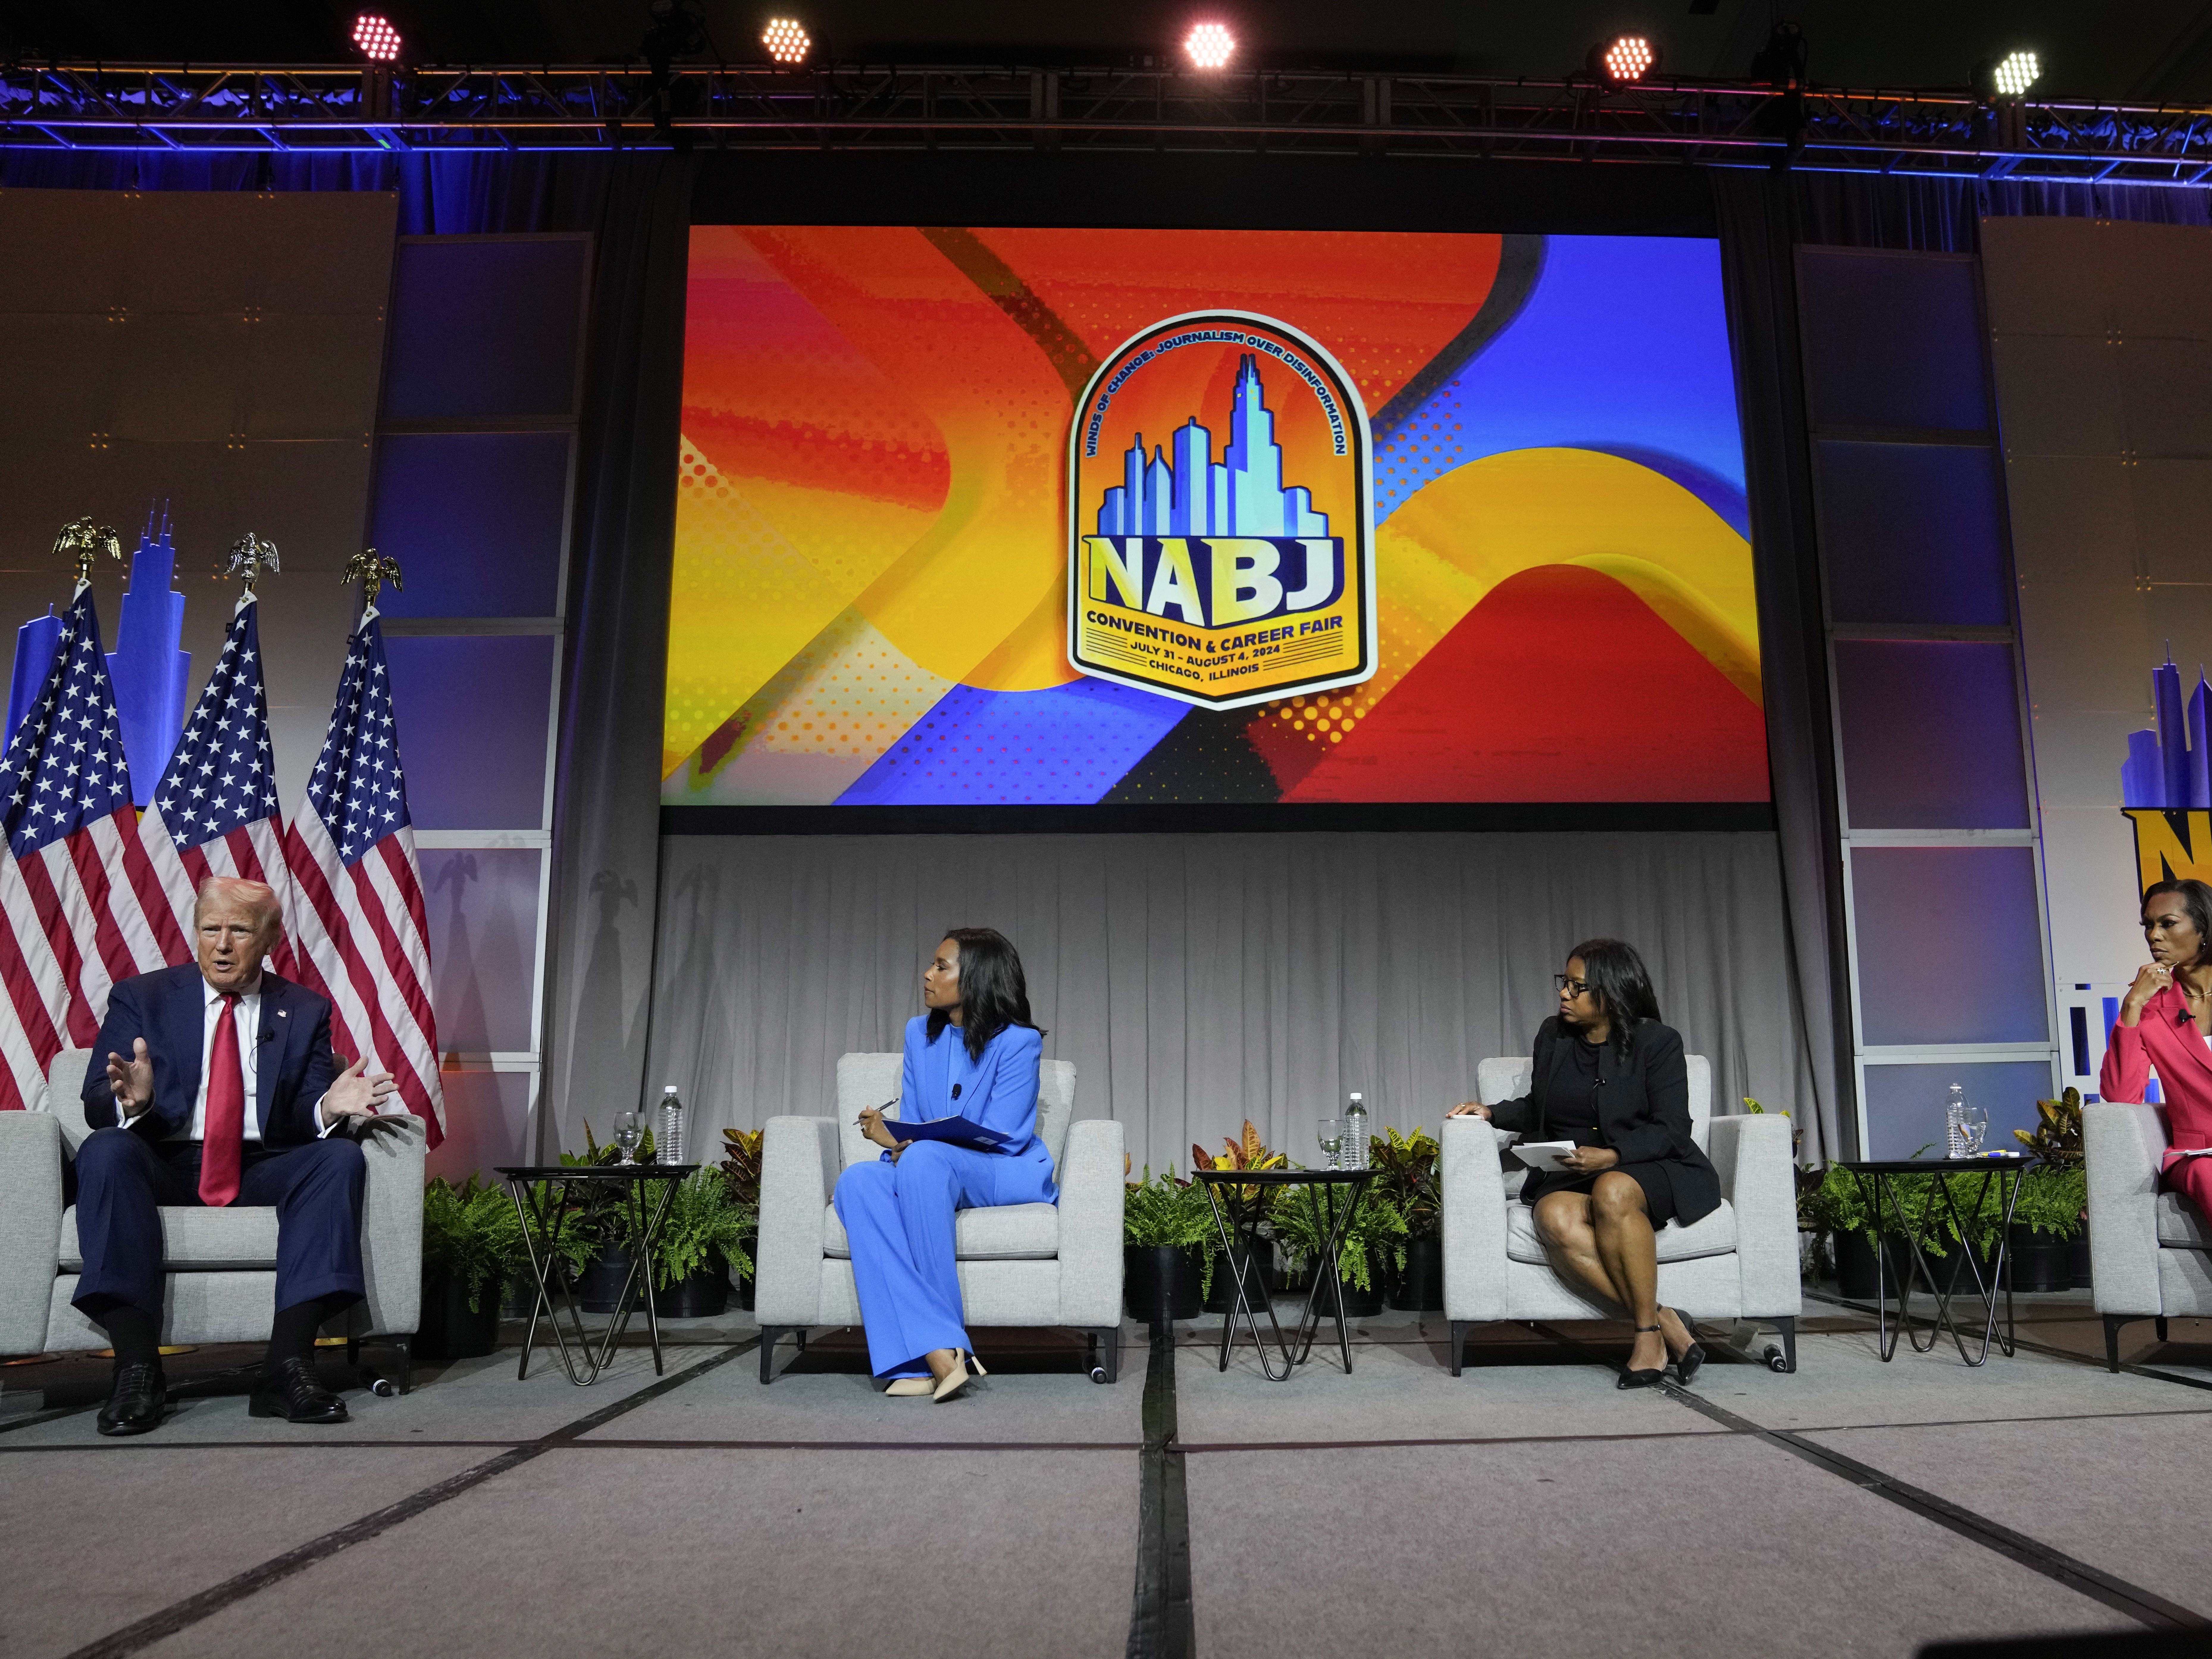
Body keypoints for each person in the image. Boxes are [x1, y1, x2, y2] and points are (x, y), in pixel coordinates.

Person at [73, 876, 400, 1436]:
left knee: (338, 1159)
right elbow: (98, 1102)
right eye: (210, 929)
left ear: (269, 938)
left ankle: (288, 1365)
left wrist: (327, 1108)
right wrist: (136, 1102)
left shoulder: (303, 1009)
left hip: (260, 1165)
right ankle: (137, 1369)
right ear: (195, 933)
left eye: (239, 930)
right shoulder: (141, 997)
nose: (222, 944)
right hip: (165, 1161)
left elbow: (301, 1113)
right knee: (106, 1150)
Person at [1447, 938, 1721, 1388]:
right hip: (1577, 1170)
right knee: (1552, 1215)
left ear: (1610, 993)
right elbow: (1539, 1105)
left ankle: (1646, 1339)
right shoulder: (1552, 1037)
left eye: (1577, 987)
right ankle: (1665, 1320)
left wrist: (1613, 1155)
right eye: (1564, 983)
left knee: (1612, 1189)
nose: (1564, 995)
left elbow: (1673, 1128)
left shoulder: (1658, 1042)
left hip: (1652, 1164)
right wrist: (1493, 1112)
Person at [833, 927, 1056, 1402]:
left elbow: (1007, 1133)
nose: (928, 974)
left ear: (975, 978)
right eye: (932, 965)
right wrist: (890, 1135)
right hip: (931, 1164)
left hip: (1003, 1168)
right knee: (857, 1183)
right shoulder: (920, 1034)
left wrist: (918, 1143)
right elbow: (915, 1123)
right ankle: (930, 1354)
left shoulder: (1018, 1043)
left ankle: (935, 1347)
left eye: (941, 966)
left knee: (926, 1160)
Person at [2101, 878, 2212, 1226]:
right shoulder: (2151, 1008)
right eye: (2148, 926)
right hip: (2199, 1158)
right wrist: (2133, 1004)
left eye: (2167, 924)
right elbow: (2121, 1097)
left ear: (2203, 927)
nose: (2153, 936)